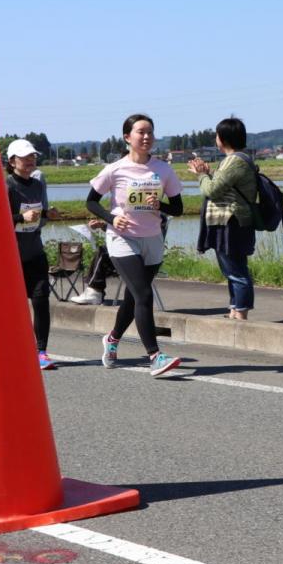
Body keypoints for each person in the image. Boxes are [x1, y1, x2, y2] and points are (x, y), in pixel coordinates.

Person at [87, 113, 184, 377]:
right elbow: (91, 202)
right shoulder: (115, 169)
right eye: (140, 132)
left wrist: (159, 205)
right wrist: (112, 218)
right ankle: (155, 356)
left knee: (133, 298)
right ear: (127, 137)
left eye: (150, 132)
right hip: (122, 240)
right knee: (144, 295)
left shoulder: (163, 169)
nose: (146, 137)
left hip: (152, 239)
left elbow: (178, 208)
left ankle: (112, 339)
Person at [189, 117, 258, 320]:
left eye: (217, 135)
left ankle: (241, 313)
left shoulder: (234, 161)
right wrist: (208, 172)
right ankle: (234, 310)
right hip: (229, 221)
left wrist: (200, 176)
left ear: (224, 138)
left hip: (231, 221)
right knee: (232, 269)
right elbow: (222, 185)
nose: (215, 139)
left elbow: (212, 190)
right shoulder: (234, 160)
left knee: (236, 270)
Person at [4, 139, 62, 370]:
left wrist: (48, 213)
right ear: (12, 161)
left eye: (32, 157)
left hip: (35, 250)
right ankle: (12, 347)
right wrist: (19, 219)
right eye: (24, 157)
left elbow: (36, 215)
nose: (29, 161)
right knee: (13, 306)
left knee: (41, 301)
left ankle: (41, 352)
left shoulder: (37, 184)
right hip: (11, 255)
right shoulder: (6, 186)